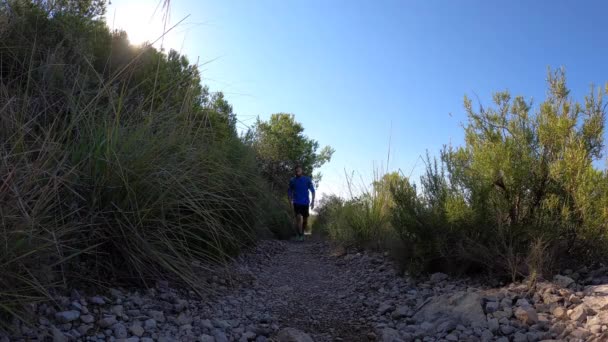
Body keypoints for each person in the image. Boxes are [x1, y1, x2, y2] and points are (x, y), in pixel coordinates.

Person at [287, 165, 315, 241]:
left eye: (299, 170)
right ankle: (299, 235)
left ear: (301, 171)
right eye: (296, 171)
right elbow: (289, 191)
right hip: (296, 202)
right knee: (298, 218)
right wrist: (290, 202)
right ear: (295, 172)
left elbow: (312, 190)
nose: (297, 172)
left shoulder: (307, 179)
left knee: (305, 220)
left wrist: (312, 202)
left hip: (305, 203)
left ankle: (302, 232)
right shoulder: (292, 180)